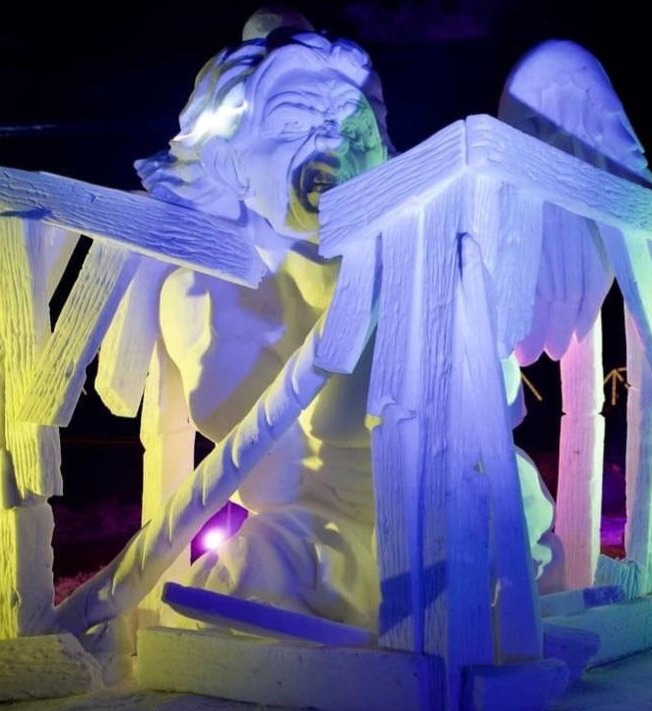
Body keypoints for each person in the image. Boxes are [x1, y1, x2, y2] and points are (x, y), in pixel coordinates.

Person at [136, 8, 558, 629]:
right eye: (294, 122)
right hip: (320, 522)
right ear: (227, 159)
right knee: (257, 570)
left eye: (350, 123)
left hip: (454, 508)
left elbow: (494, 405)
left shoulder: (428, 249)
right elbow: (269, 483)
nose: (331, 143)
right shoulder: (204, 294)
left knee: (469, 549)